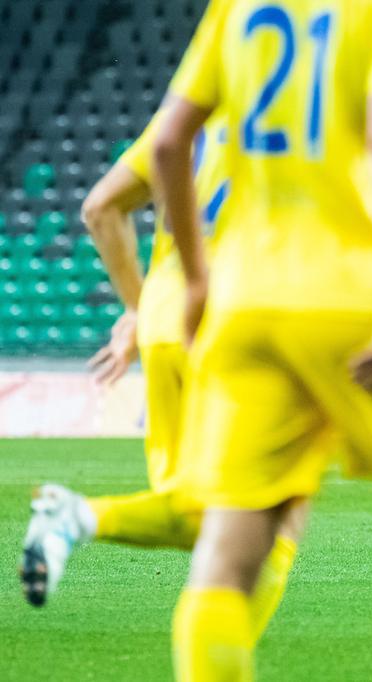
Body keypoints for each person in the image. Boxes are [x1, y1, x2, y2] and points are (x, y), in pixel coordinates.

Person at [153, 1, 372, 679]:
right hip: (349, 295)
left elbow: (166, 143)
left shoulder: (238, 7)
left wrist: (194, 281)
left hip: (245, 302)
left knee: (227, 551)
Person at [19, 108, 305, 645]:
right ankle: (77, 517)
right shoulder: (302, 114)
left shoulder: (192, 118)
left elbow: (99, 209)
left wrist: (141, 308)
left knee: (203, 513)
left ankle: (76, 518)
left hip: (167, 324)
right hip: (242, 321)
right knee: (275, 516)